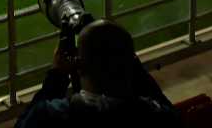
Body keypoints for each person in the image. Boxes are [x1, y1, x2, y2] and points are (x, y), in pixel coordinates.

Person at [14, 21, 176, 127]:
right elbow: (170, 112)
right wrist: (131, 63)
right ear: (130, 62)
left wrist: (57, 75)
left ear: (79, 65)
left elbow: (23, 124)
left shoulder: (51, 115)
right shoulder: (157, 115)